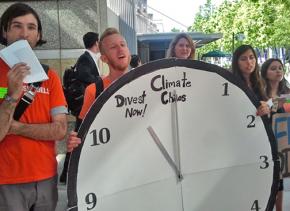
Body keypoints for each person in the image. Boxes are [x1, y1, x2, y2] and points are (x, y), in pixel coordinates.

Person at [0, 3, 67, 211]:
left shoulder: (50, 77)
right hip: (6, 179)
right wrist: (11, 94)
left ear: (38, 35)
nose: (24, 34)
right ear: (5, 31)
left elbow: (60, 129)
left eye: (31, 27)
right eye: (17, 26)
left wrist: (15, 127)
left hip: (46, 177)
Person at [67, 27, 130, 162]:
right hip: (106, 165)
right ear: (104, 58)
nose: (120, 49)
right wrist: (73, 141)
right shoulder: (94, 90)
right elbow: (80, 134)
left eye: (123, 45)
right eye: (113, 47)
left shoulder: (145, 83)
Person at [261, 58, 290, 211]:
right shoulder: (259, 92)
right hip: (264, 144)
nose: (278, 71)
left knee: (280, 183)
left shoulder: (287, 92)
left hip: (283, 143)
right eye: (273, 68)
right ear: (265, 72)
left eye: (280, 68)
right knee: (268, 182)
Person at [231, 44, 270, 116]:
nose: (249, 62)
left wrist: (267, 106)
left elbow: (268, 103)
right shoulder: (231, 84)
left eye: (251, 58)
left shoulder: (261, 82)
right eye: (243, 59)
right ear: (236, 62)